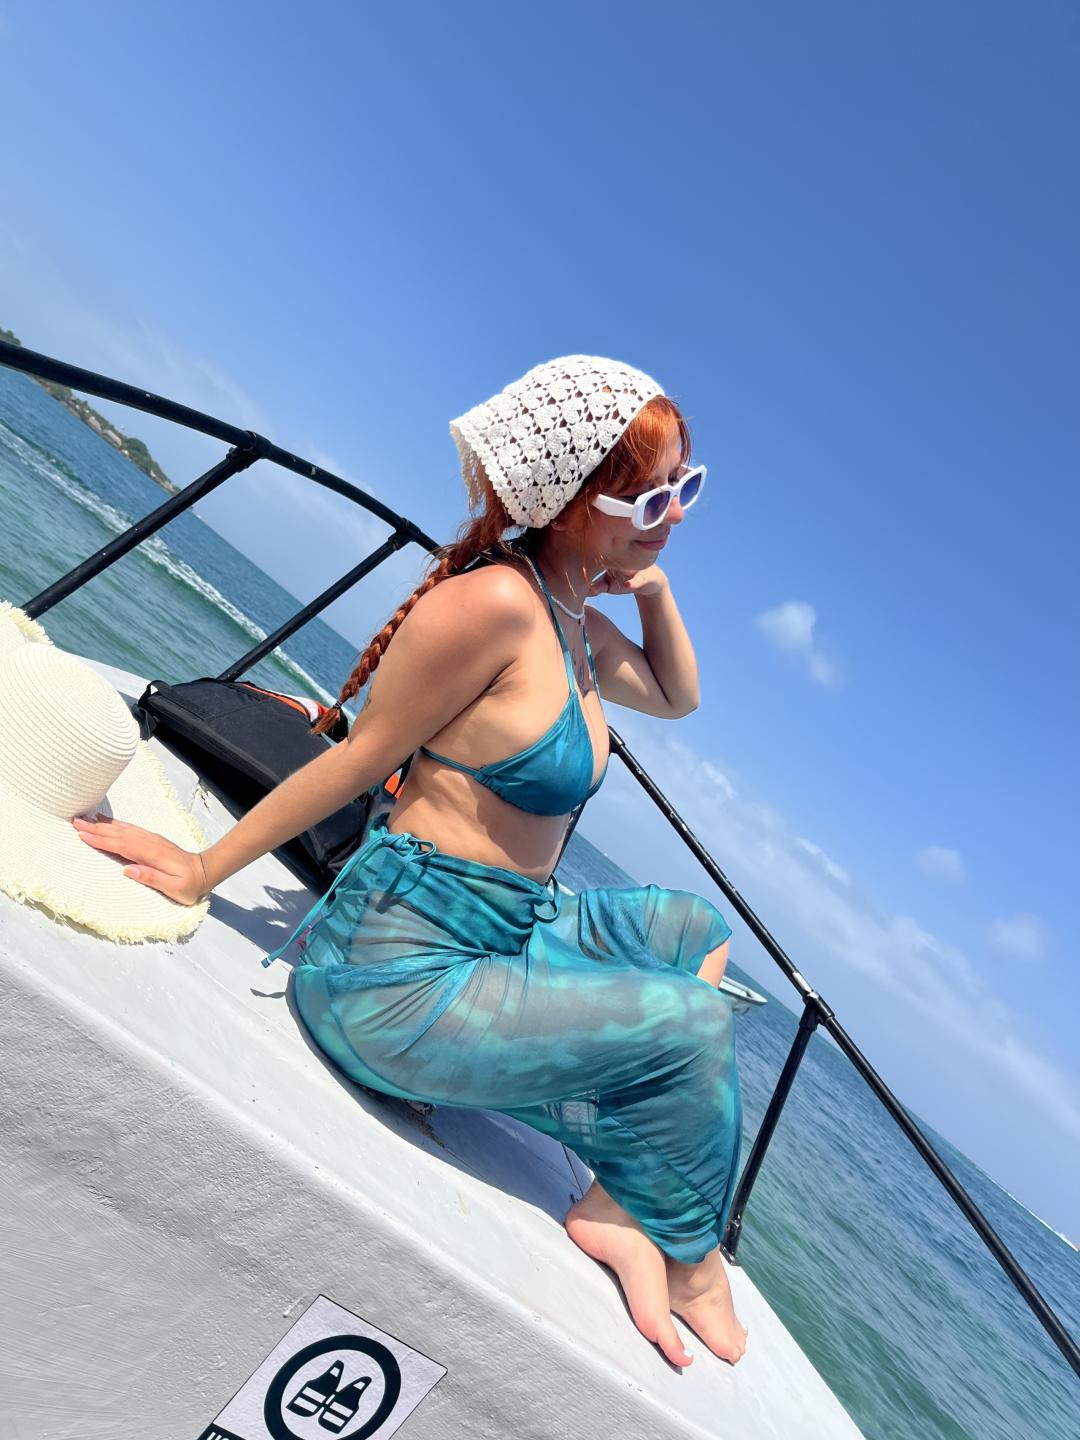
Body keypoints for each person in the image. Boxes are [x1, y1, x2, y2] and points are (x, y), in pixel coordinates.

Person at [73, 356, 747, 1369]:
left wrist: (649, 582)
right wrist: (203, 869)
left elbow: (677, 695)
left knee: (697, 934)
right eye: (652, 497)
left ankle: (617, 1205)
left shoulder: (576, 623)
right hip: (397, 974)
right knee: (693, 1025)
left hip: (507, 928)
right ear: (572, 500)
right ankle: (689, 1260)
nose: (678, 513)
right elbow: (357, 761)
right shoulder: (496, 606)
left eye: (685, 487)